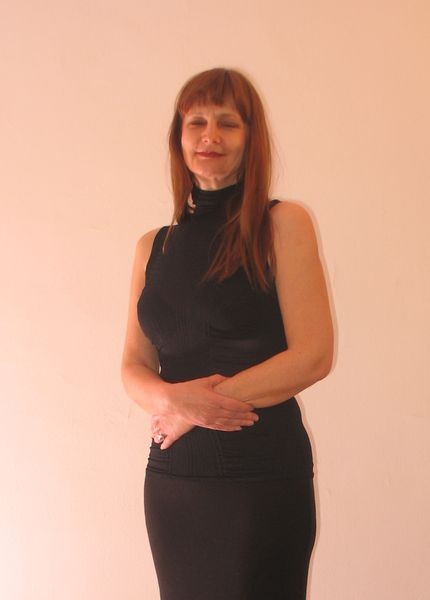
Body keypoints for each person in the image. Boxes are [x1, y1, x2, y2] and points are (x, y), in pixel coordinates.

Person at [121, 67, 334, 600]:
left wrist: (193, 410)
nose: (210, 135)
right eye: (196, 122)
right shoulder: (153, 247)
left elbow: (313, 355)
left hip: (260, 476)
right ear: (179, 138)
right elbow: (133, 366)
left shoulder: (282, 224)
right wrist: (175, 402)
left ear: (250, 138)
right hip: (174, 481)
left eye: (227, 123)